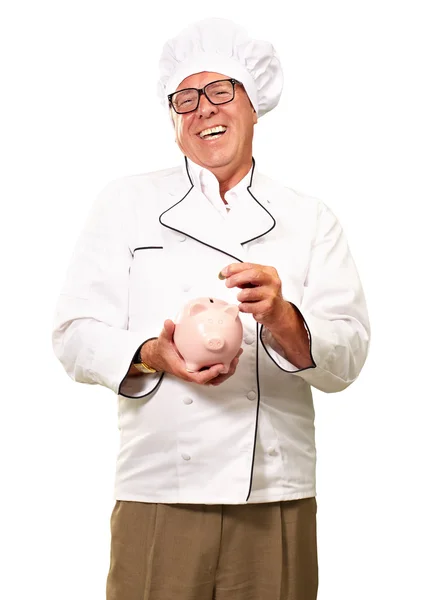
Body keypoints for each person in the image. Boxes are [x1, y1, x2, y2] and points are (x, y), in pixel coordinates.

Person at [52, 17, 370, 600]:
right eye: (185, 99)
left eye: (221, 90)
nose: (203, 109)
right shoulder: (126, 203)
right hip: (159, 489)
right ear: (173, 119)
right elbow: (72, 334)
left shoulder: (309, 218)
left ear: (254, 106)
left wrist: (282, 318)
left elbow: (348, 356)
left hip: (275, 495)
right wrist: (152, 354)